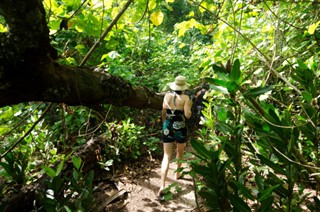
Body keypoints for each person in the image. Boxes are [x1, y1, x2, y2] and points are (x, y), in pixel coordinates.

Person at [158, 75, 193, 197]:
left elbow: (163, 112)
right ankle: (177, 173)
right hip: (180, 126)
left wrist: (164, 124)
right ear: (184, 87)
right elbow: (188, 115)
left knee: (166, 155)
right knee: (180, 152)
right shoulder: (186, 98)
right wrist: (190, 107)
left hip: (167, 125)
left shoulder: (167, 96)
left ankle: (162, 185)